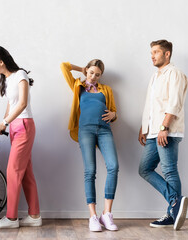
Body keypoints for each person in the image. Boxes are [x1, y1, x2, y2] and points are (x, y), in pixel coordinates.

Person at [60, 60, 119, 232]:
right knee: (90, 171)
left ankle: (106, 214)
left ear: (101, 76)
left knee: (113, 166)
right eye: (91, 72)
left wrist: (114, 114)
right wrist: (82, 70)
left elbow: (113, 111)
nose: (93, 77)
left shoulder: (106, 90)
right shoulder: (77, 85)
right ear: (87, 72)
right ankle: (93, 216)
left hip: (104, 130)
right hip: (85, 131)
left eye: (97, 74)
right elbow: (64, 66)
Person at [0, 46, 41, 229]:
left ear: (1, 62)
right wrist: (3, 123)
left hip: (25, 126)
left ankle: (11, 219)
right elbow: (12, 105)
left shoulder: (20, 75)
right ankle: (34, 216)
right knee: (25, 172)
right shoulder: (8, 79)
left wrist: (5, 122)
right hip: (16, 128)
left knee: (13, 172)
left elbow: (23, 103)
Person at [138, 39, 188, 230]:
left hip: (167, 130)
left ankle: (173, 211)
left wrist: (164, 128)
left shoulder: (175, 74)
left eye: (156, 52)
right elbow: (152, 106)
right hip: (153, 131)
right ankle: (175, 203)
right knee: (144, 169)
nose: (152, 56)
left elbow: (174, 103)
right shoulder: (155, 76)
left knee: (169, 170)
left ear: (167, 54)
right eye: (151, 52)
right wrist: (144, 128)